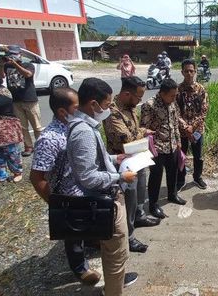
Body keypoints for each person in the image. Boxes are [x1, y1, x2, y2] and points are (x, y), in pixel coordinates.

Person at [60, 78, 138, 294]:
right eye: (106, 104)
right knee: (115, 254)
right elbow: (88, 177)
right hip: (104, 200)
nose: (108, 109)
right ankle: (113, 291)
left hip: (108, 196)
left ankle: (115, 284)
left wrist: (115, 159)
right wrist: (121, 177)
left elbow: (96, 161)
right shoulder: (83, 132)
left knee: (116, 252)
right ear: (93, 104)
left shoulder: (85, 126)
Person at [29, 87, 103, 286]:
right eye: (77, 107)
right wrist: (55, 202)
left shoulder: (76, 127)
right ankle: (80, 268)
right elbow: (37, 177)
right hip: (69, 195)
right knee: (73, 235)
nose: (82, 110)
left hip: (86, 187)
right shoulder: (50, 138)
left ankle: (91, 240)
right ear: (62, 112)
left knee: (89, 222)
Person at [103, 76, 161, 254]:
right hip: (124, 163)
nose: (140, 101)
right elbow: (125, 139)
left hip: (139, 157)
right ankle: (128, 237)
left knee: (140, 191)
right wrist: (143, 132)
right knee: (128, 198)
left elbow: (134, 131)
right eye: (138, 97)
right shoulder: (112, 112)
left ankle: (139, 216)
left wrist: (140, 132)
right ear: (127, 94)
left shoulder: (130, 107)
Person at [140, 78, 184, 219]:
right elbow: (143, 128)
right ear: (162, 93)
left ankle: (172, 195)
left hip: (172, 145)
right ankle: (153, 205)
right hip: (157, 148)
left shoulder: (172, 102)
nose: (174, 98)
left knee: (173, 172)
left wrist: (178, 141)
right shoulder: (149, 105)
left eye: (175, 95)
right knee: (156, 177)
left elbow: (175, 122)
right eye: (171, 95)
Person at [0, 45, 42, 157]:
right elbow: (0, 76)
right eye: (10, 54)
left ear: (20, 55)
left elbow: (28, 74)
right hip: (16, 100)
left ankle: (41, 145)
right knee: (22, 127)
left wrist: (15, 64)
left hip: (29, 99)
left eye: (14, 54)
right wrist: (1, 65)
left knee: (37, 126)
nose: (12, 57)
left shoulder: (28, 65)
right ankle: (28, 146)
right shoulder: (7, 66)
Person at [176, 59, 209, 190]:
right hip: (182, 130)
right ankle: (180, 179)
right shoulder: (177, 90)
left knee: (198, 156)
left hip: (197, 130)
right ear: (182, 72)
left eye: (191, 71)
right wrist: (185, 126)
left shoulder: (201, 89)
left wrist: (192, 126)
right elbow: (175, 111)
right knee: (181, 155)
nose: (189, 73)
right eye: (186, 71)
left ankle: (197, 177)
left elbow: (204, 110)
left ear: (195, 71)